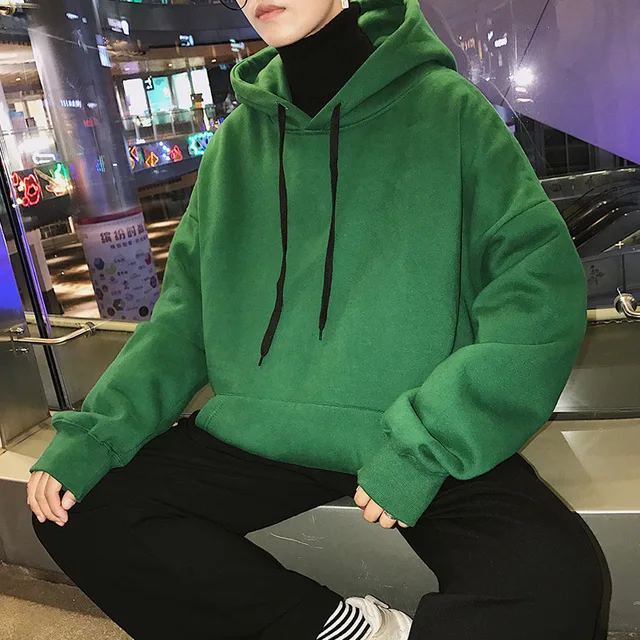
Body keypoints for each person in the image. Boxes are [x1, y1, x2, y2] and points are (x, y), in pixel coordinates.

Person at [27, 0, 604, 638]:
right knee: (77, 512)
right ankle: (342, 630)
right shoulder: (235, 144)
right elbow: (182, 319)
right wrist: (96, 434)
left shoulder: (450, 112)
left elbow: (535, 295)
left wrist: (431, 441)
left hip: (411, 423)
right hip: (260, 425)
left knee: (557, 581)